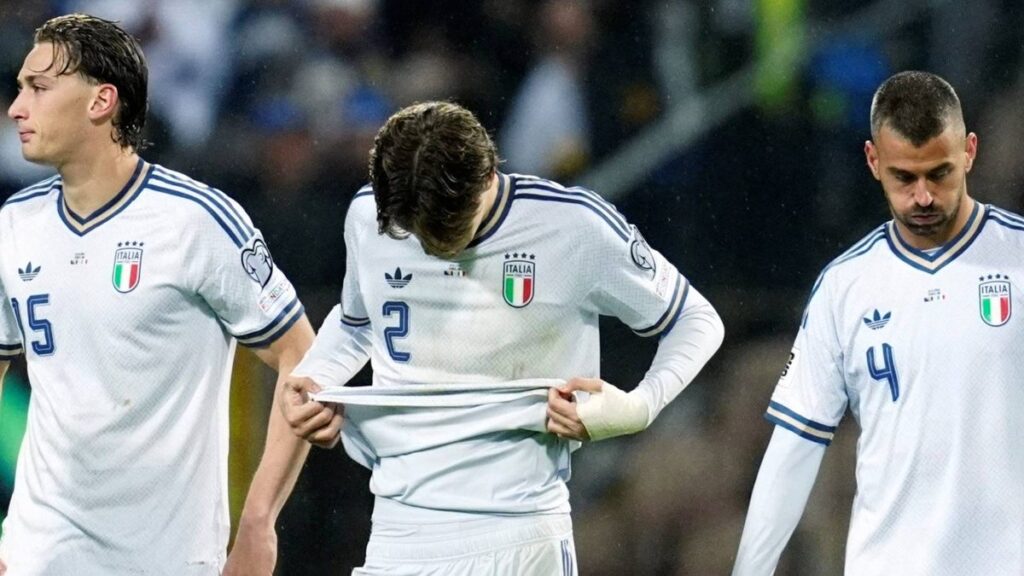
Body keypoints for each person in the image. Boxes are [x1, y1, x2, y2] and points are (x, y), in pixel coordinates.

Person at [280, 100, 725, 575]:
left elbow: (696, 320)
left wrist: (639, 407)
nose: (430, 242)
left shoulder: (573, 227)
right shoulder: (368, 216)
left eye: (447, 228)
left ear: (488, 174)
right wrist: (317, 376)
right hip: (399, 530)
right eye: (417, 231)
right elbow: (357, 323)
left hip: (520, 532)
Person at [0, 14, 315, 575]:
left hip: (167, 556)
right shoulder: (14, 223)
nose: (17, 108)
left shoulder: (196, 221)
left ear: (101, 101)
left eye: (38, 88)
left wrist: (258, 523)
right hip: (39, 551)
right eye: (21, 89)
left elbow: (299, 354)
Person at [732, 71, 1024, 575]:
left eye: (940, 173)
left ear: (970, 151)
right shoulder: (846, 286)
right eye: (904, 178)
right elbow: (794, 448)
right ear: (873, 161)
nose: (924, 197)